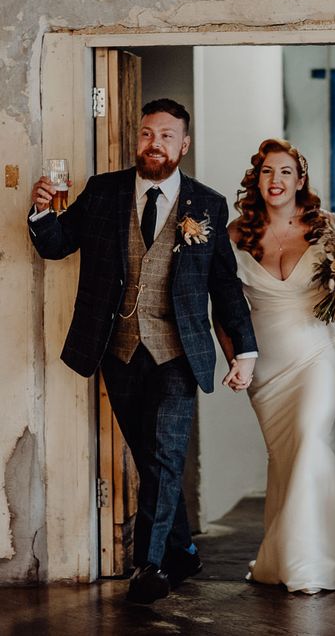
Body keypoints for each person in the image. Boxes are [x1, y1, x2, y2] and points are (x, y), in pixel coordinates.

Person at [27, 98, 258, 604]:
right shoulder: (103, 191)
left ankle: (149, 566)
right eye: (148, 134)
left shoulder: (208, 205)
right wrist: (43, 210)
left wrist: (245, 351)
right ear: (139, 138)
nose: (155, 144)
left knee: (166, 456)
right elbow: (56, 245)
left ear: (184, 144)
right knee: (150, 458)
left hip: (178, 352)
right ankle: (183, 552)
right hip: (118, 349)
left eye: (167, 135)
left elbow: (224, 283)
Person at [216, 138, 335, 594]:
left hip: (319, 354)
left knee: (310, 438)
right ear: (256, 179)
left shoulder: (327, 230)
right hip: (265, 365)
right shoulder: (234, 236)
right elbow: (224, 307)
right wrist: (236, 359)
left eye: (286, 172)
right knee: (289, 456)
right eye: (268, 172)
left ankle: (311, 563)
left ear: (300, 180)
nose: (276, 180)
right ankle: (321, 547)